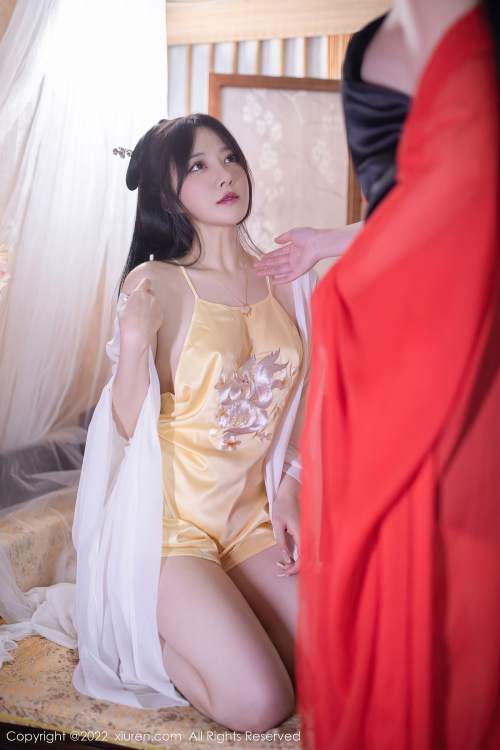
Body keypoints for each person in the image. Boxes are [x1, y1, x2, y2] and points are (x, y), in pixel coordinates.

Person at [0, 114, 317, 730]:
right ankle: (149, 642)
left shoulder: (285, 276)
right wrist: (133, 342)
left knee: (336, 664)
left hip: (250, 521)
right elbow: (122, 426)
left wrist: (292, 488)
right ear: (168, 192)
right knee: (262, 703)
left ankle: (224, 621)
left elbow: (311, 397)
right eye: (198, 165)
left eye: (229, 157)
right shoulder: (157, 282)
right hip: (169, 531)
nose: (224, 175)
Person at [254, 1, 500, 748]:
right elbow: (416, 198)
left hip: (471, 333)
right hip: (388, 349)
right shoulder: (366, 43)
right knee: (396, 587)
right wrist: (328, 244)